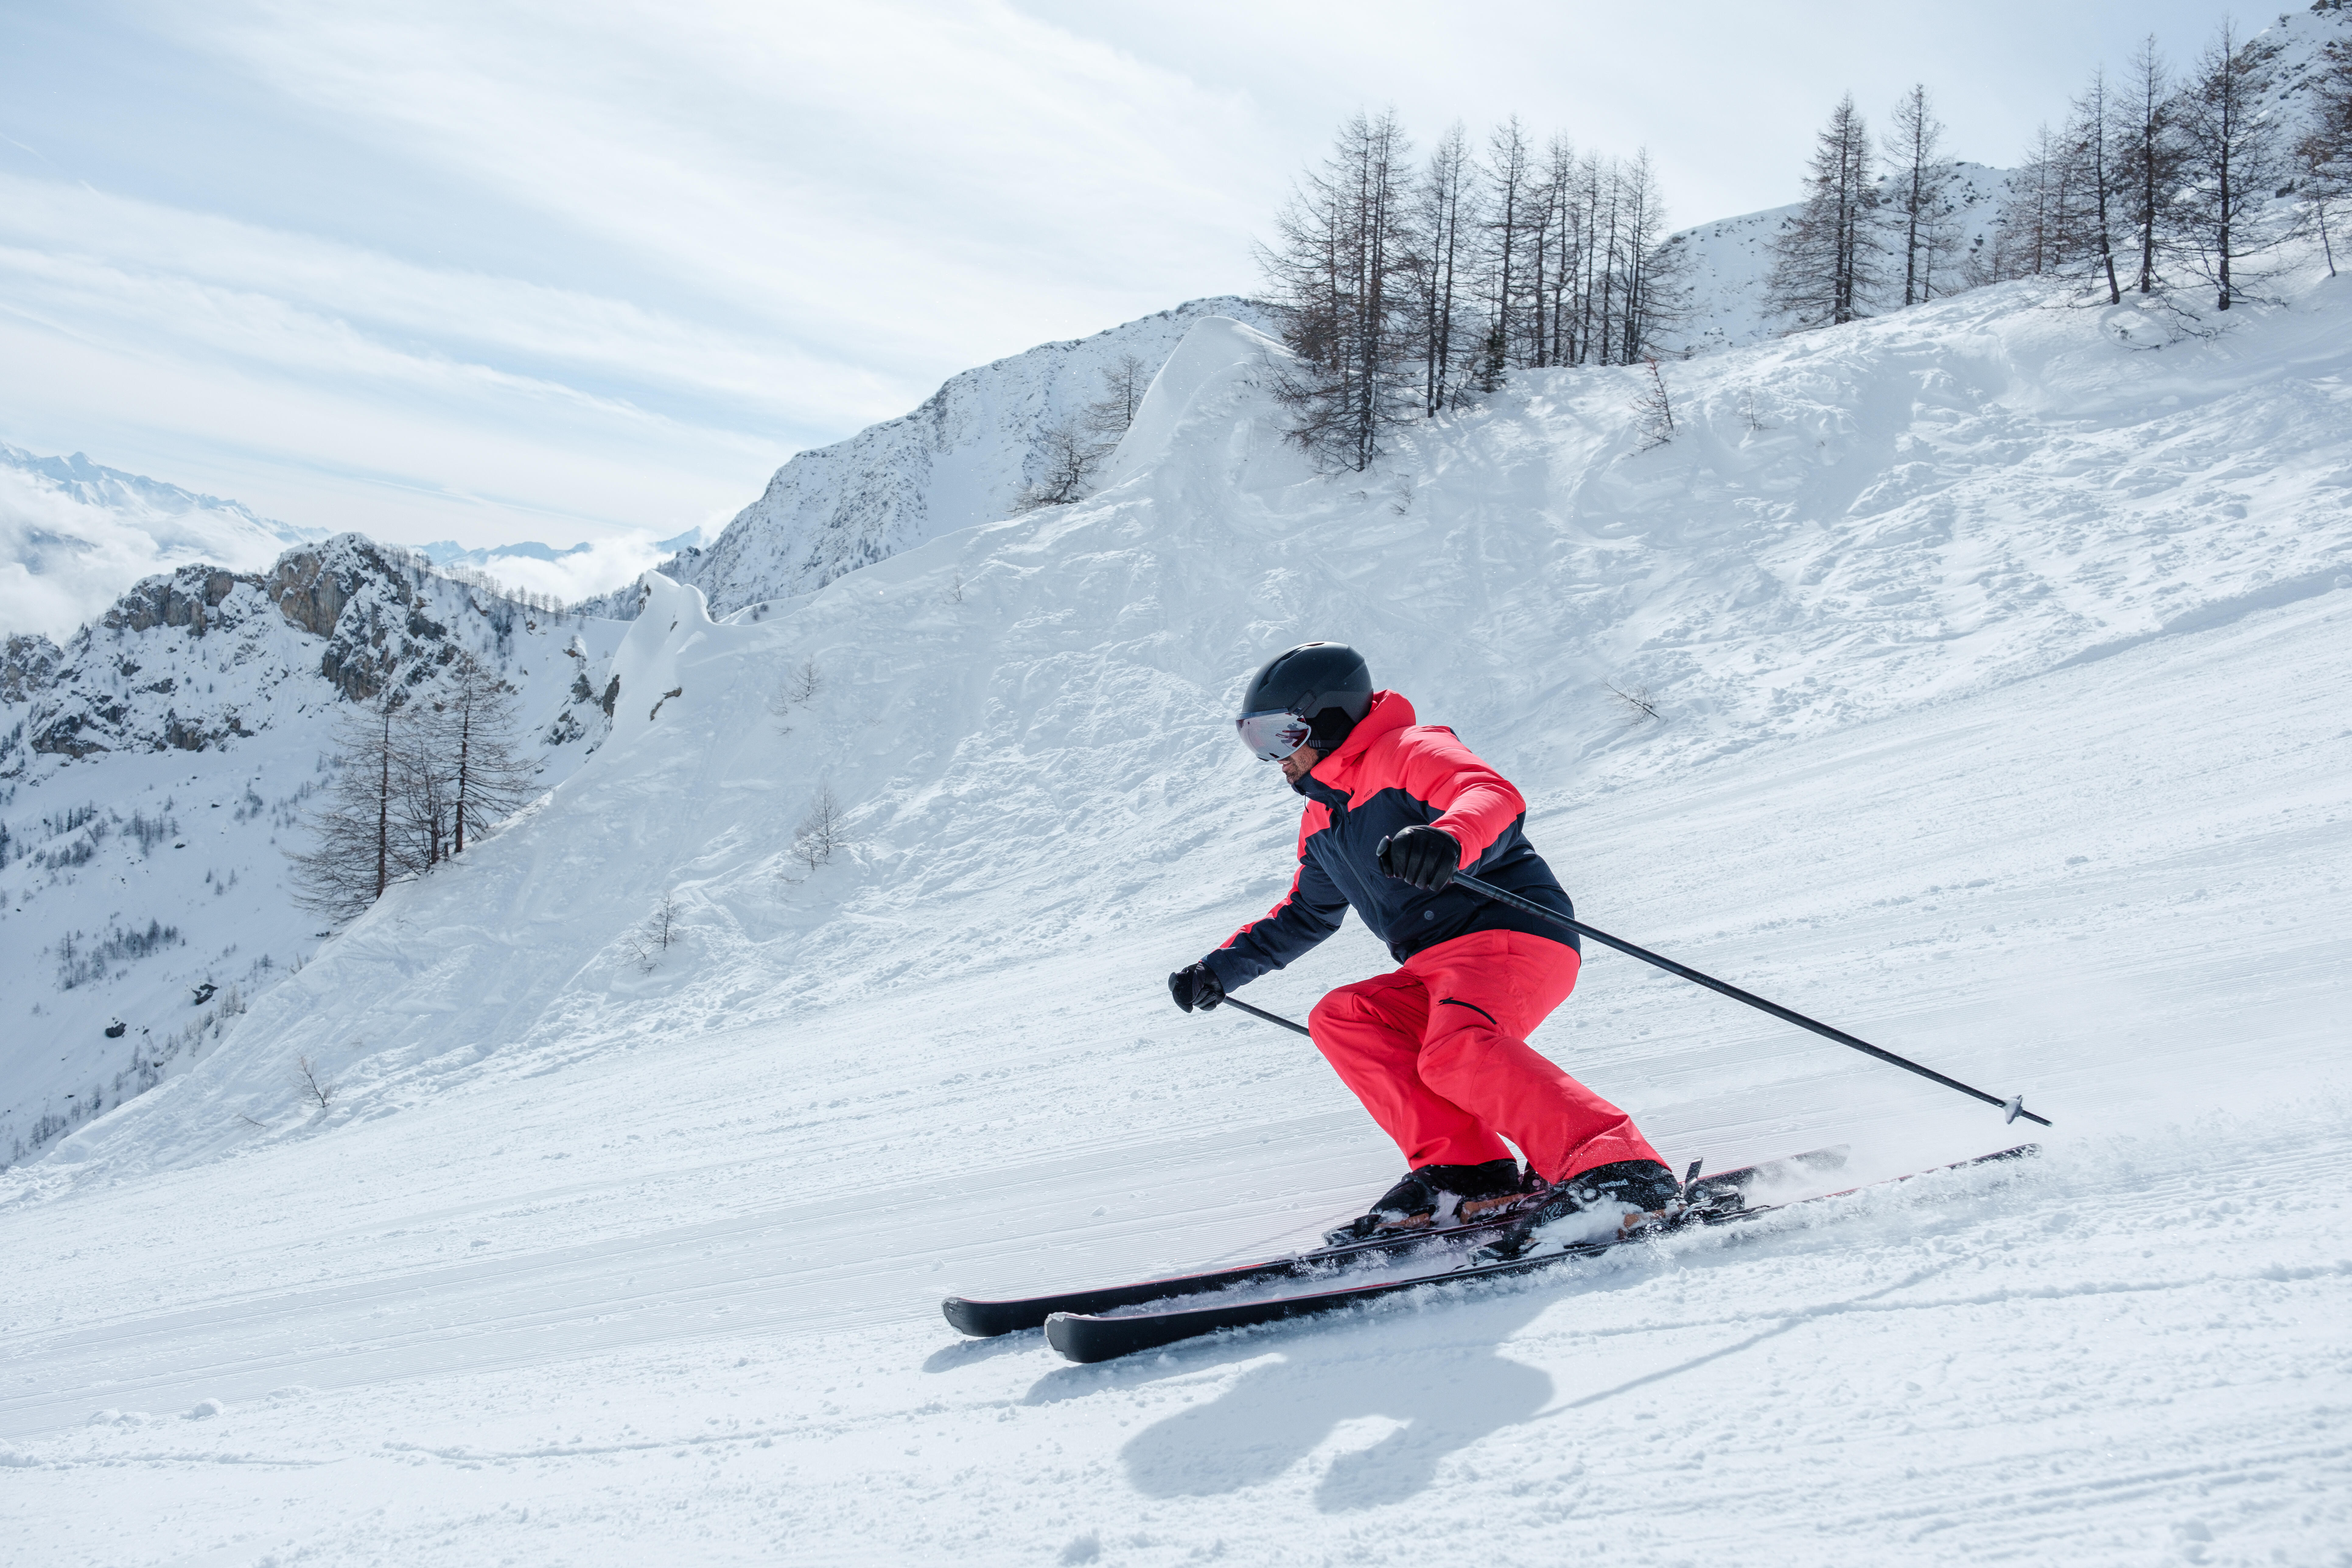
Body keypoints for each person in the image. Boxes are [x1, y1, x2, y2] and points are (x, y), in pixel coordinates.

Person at [1168, 641, 1679, 1256]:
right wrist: (1220, 970)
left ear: (1327, 721)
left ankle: (1621, 1172)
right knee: (1345, 1016)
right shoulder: (1324, 818)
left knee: (1457, 1049)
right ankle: (1465, 1173)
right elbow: (1307, 913)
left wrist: (1448, 840)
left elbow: (1491, 795)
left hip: (1512, 932)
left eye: (1281, 736)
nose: (1272, 758)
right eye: (1257, 741)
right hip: (1436, 963)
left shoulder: (1408, 749)